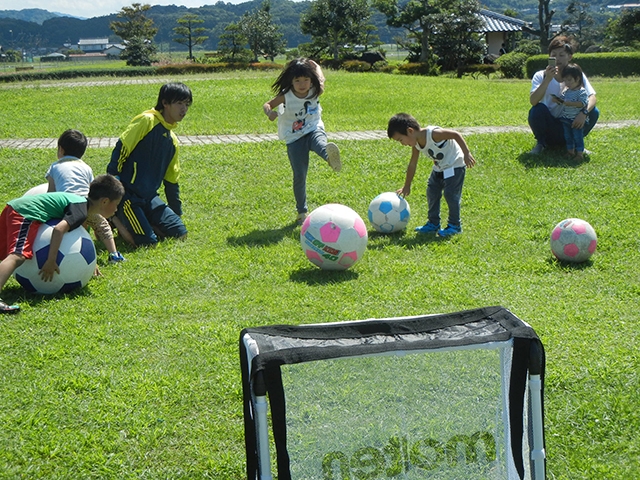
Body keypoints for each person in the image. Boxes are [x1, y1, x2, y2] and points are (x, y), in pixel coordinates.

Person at [0, 174, 124, 314]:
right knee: (18, 256)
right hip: (25, 213)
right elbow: (59, 229)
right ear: (105, 201)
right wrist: (51, 260)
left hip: (15, 207)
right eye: (117, 205)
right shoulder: (81, 210)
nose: (116, 210)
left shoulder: (81, 204)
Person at [107, 82, 192, 247]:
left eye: (187, 104)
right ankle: (113, 217)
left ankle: (144, 222)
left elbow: (171, 181)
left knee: (180, 233)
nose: (184, 109)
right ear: (165, 103)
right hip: (128, 196)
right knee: (148, 242)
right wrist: (113, 182)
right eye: (179, 103)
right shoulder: (147, 121)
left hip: (150, 198)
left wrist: (176, 215)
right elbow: (122, 147)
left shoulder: (172, 140)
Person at [262, 58, 341, 225]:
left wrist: (315, 66)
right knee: (299, 176)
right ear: (291, 81)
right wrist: (269, 113)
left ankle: (329, 157)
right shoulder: (286, 95)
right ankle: (302, 212)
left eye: (306, 79)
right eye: (297, 80)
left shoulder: (315, 90)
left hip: (313, 128)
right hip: (294, 138)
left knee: (320, 143)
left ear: (311, 79)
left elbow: (321, 78)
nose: (302, 84)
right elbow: (267, 104)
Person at [387, 113, 476, 237]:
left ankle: (455, 225)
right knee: (432, 191)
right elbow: (412, 164)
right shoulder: (416, 144)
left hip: (455, 165)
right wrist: (406, 185)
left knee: (450, 194)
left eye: (400, 139)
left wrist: (466, 153)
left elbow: (456, 135)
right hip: (439, 168)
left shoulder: (434, 134)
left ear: (410, 131)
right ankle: (433, 223)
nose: (402, 143)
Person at [46, 129, 126, 264]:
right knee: (102, 225)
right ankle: (114, 254)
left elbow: (51, 193)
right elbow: (91, 189)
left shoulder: (55, 167)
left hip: (66, 205)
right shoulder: (86, 167)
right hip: (85, 204)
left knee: (73, 227)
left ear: (60, 149)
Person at [528, 36, 599, 155]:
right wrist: (547, 79)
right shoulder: (540, 76)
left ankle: (577, 144)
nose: (557, 59)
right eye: (554, 55)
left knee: (594, 112)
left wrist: (584, 113)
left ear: (569, 57)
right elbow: (533, 101)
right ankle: (541, 143)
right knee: (537, 110)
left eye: (562, 55)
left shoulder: (576, 75)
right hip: (550, 124)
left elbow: (592, 97)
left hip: (570, 122)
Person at [557, 64, 590, 160]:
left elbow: (583, 103)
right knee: (568, 137)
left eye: (570, 80)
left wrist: (571, 103)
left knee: (577, 137)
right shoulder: (567, 91)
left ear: (578, 79)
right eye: (565, 80)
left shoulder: (581, 91)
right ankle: (570, 152)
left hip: (576, 120)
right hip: (566, 119)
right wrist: (558, 100)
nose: (567, 83)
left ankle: (579, 153)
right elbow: (563, 100)